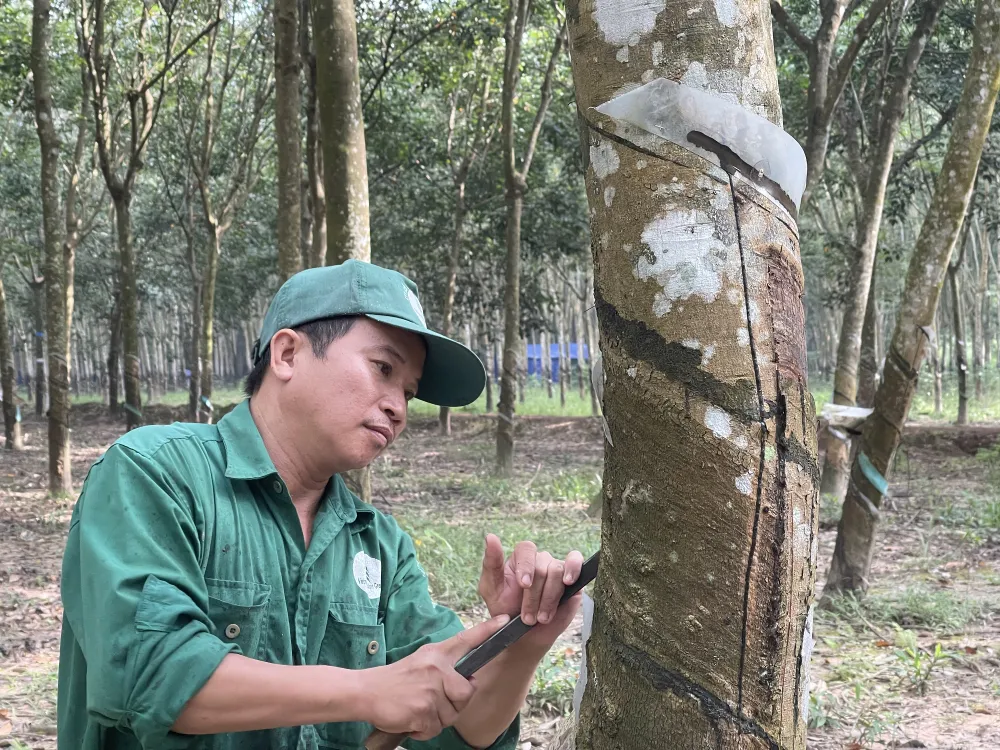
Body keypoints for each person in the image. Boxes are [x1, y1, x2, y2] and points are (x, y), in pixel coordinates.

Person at [57, 260, 584, 750]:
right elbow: (147, 674)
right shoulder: (157, 474)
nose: (398, 407)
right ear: (288, 355)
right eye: (382, 369)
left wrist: (522, 642)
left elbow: (464, 723)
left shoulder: (378, 544)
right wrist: (366, 691)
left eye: (409, 390)